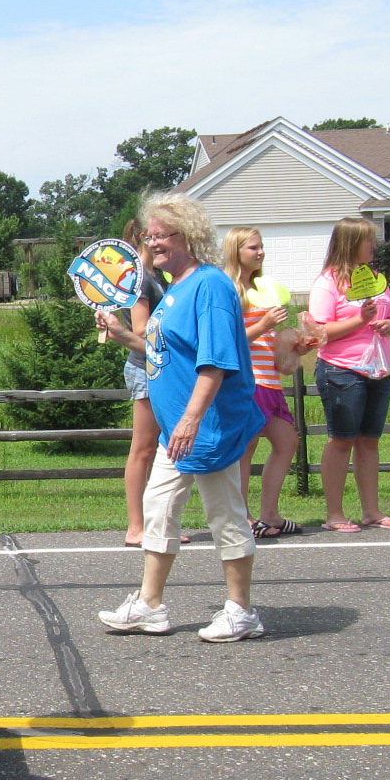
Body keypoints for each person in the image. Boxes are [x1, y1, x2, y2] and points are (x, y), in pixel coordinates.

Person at [95, 193, 266, 642]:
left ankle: (241, 610)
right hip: (178, 430)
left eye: (161, 237)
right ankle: (149, 605)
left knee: (224, 515)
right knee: (158, 508)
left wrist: (191, 419)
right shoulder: (176, 289)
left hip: (208, 426)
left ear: (188, 236)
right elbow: (164, 353)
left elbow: (216, 362)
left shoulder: (209, 286)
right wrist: (123, 336)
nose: (152, 246)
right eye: (149, 239)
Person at [308, 217, 390, 532]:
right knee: (341, 440)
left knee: (369, 441)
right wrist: (360, 320)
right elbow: (319, 333)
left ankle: (371, 511)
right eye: (368, 240)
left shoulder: (376, 278)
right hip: (342, 369)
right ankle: (334, 514)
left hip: (378, 369)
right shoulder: (328, 282)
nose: (374, 246)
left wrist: (389, 324)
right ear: (350, 243)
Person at [222, 226, 308, 537]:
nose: (260, 253)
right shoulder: (230, 291)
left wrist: (296, 346)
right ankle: (241, 516)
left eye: (261, 247)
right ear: (236, 252)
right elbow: (228, 343)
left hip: (271, 382)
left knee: (288, 442)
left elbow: (270, 346)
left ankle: (269, 514)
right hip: (248, 382)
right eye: (253, 248)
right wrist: (264, 324)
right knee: (246, 448)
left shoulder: (264, 289)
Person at [118, 221, 183, 547]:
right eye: (159, 235)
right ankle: (135, 527)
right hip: (145, 368)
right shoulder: (140, 278)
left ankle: (158, 523)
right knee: (143, 449)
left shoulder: (157, 277)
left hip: (161, 368)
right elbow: (141, 328)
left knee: (164, 448)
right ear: (145, 237)